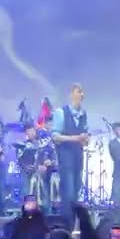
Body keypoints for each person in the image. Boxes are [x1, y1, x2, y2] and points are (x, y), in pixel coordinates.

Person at [50, 83, 89, 217]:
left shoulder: (83, 114)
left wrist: (85, 139)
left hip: (78, 157)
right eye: (79, 91)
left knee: (76, 192)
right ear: (71, 94)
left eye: (82, 92)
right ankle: (66, 223)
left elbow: (84, 134)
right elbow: (55, 137)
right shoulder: (61, 112)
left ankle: (73, 222)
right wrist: (76, 138)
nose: (82, 94)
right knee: (68, 192)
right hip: (66, 158)